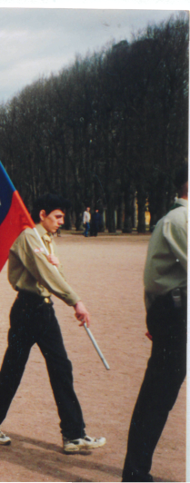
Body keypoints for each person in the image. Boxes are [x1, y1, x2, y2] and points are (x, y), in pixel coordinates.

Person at [0, 193, 106, 453]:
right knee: (13, 369)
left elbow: (55, 274)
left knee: (61, 368)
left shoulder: (46, 240)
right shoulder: (29, 238)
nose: (61, 222)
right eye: (57, 217)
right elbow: (47, 275)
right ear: (42, 215)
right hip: (27, 309)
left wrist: (68, 292)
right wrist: (75, 301)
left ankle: (73, 434)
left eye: (63, 217)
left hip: (43, 309)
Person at [122, 169, 187, 482]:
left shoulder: (173, 218)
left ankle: (136, 468)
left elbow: (151, 279)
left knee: (158, 393)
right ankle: (135, 471)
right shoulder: (182, 220)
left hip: (171, 311)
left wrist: (153, 315)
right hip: (177, 313)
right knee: (159, 394)